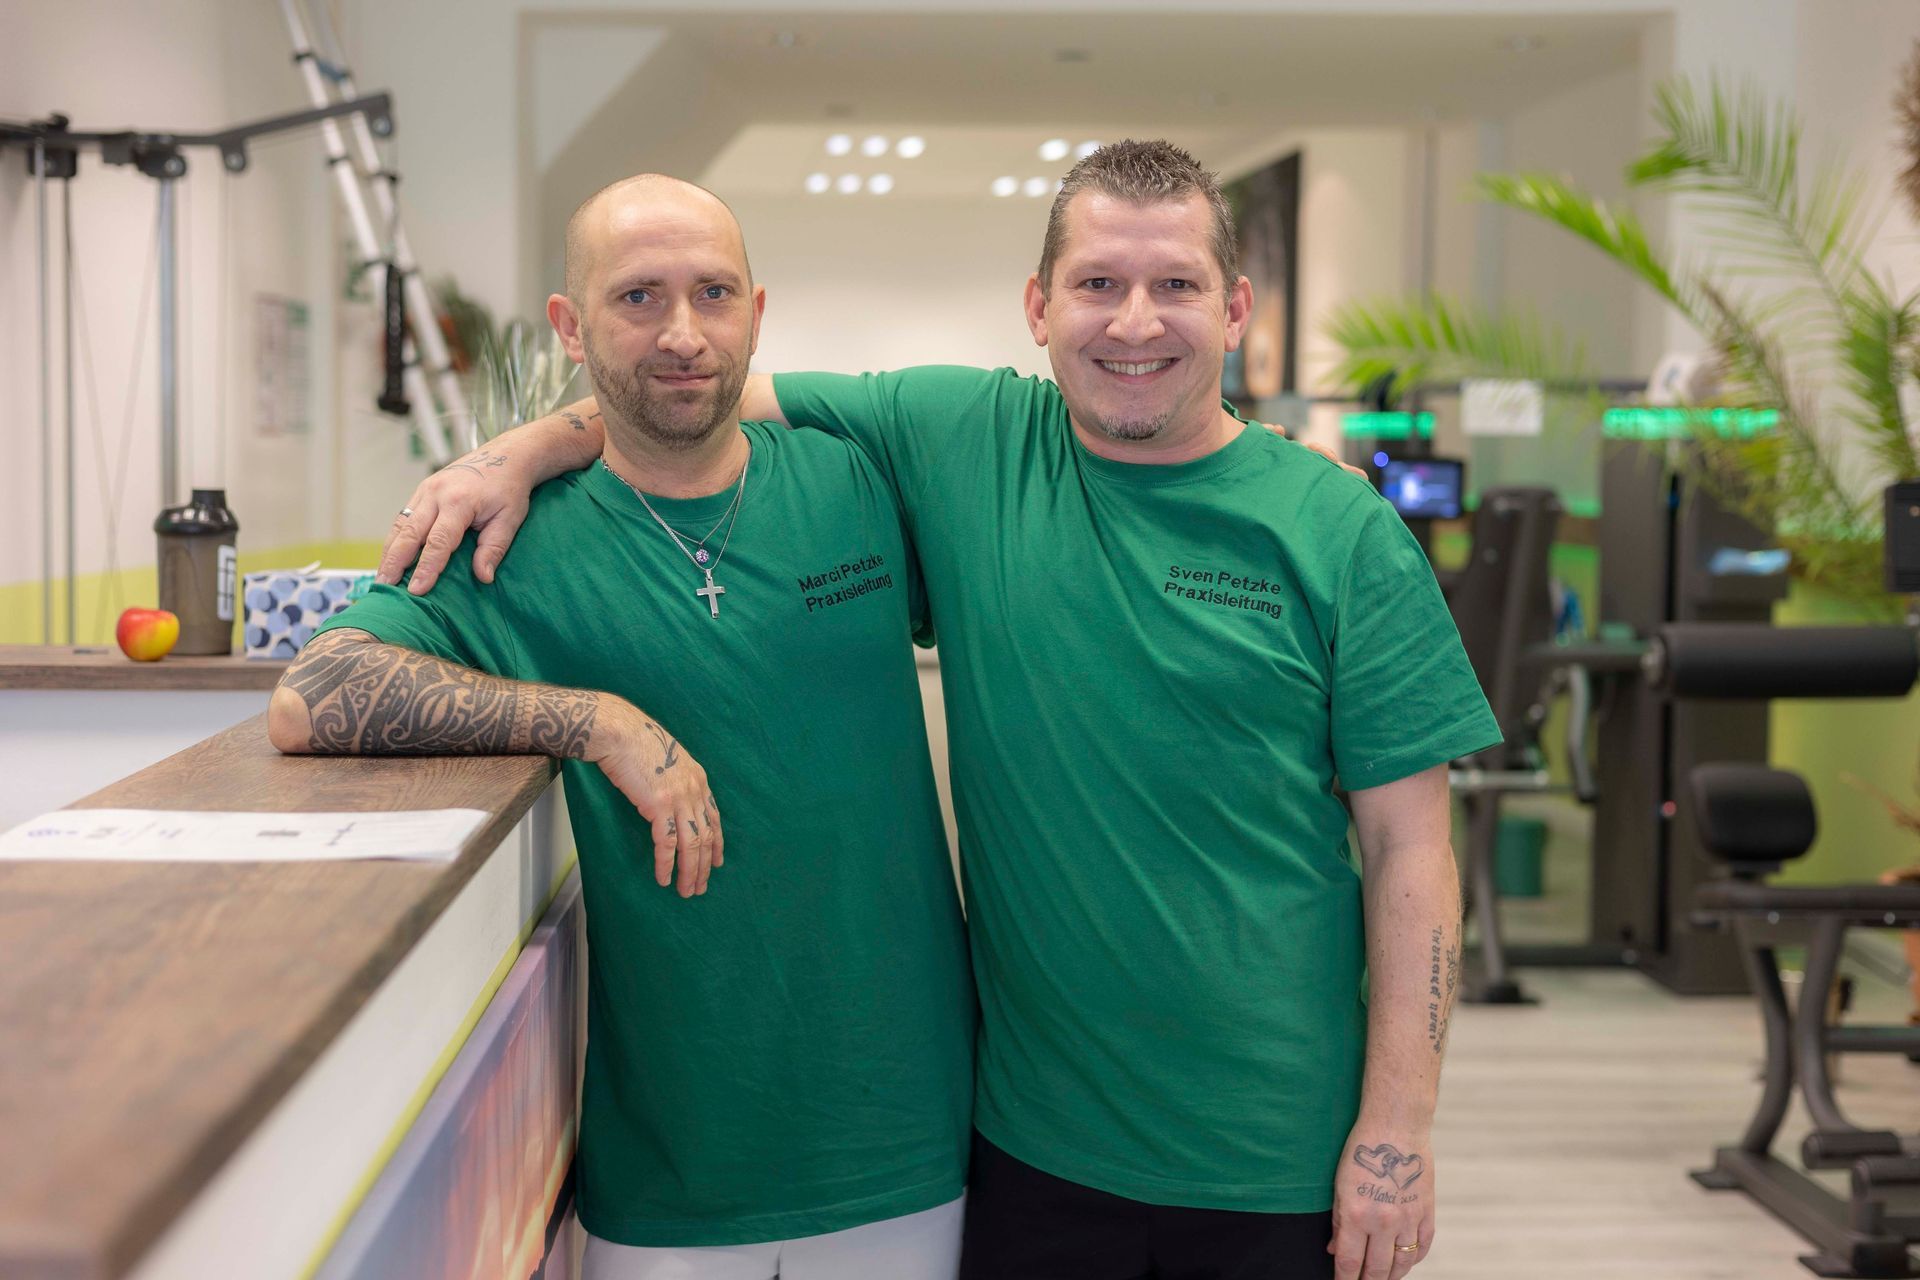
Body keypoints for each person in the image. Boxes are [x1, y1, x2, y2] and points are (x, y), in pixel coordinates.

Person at [391, 141, 1501, 1280]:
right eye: (1098, 284)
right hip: (1030, 1154)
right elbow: (689, 391)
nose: (1135, 322)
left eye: (1176, 285)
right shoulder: (964, 439)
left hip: (1278, 1159)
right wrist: (513, 454)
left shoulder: (1342, 531)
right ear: (1037, 305)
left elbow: (1411, 847)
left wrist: (1397, 1133)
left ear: (1238, 309)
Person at [268, 175, 977, 1279]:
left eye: (714, 293)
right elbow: (313, 692)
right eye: (639, 296)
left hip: (907, 1130)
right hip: (668, 1160)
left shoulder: (861, 480)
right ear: (571, 323)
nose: (684, 333)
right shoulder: (513, 539)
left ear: (756, 310)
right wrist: (587, 718)